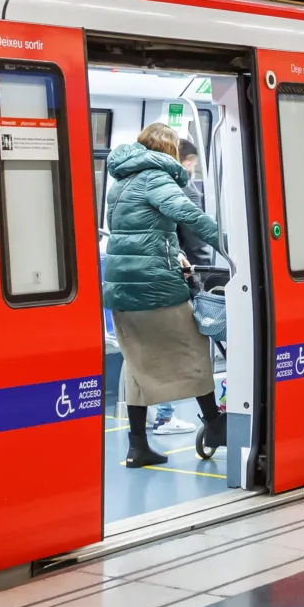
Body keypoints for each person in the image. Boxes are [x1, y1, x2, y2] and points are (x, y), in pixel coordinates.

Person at [103, 124, 229, 468]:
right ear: (168, 151)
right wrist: (233, 246)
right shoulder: (155, 176)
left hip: (119, 289)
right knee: (193, 349)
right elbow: (186, 214)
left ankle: (137, 445)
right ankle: (214, 424)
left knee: (137, 364)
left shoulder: (121, 182)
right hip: (155, 287)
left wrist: (173, 252)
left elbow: (141, 233)